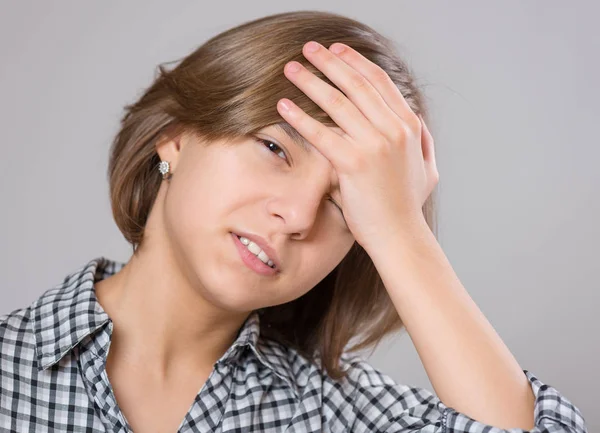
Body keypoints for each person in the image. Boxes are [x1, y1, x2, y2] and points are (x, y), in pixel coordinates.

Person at [0, 9, 588, 433]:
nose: (299, 216)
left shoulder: (337, 415)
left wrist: (402, 230)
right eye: (276, 150)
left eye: (344, 204)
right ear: (173, 138)